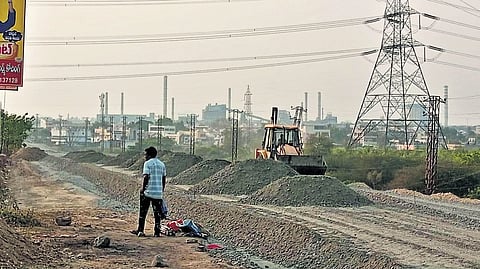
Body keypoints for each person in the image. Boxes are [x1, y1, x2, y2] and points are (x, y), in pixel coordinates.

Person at [130, 146, 166, 237]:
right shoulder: (162, 164)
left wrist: (143, 188)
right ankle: (157, 232)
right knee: (157, 214)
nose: (144, 156)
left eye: (145, 155)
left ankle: (140, 230)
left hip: (148, 192)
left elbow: (146, 177)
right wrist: (161, 190)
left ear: (149, 155)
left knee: (143, 212)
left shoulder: (147, 164)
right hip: (158, 193)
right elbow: (163, 179)